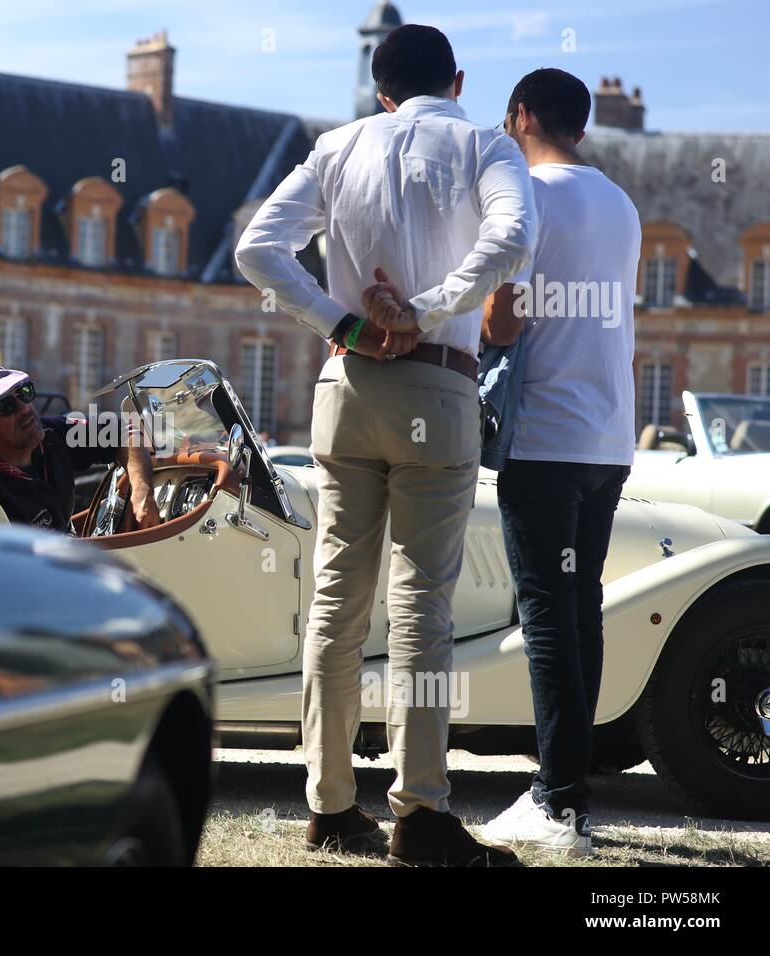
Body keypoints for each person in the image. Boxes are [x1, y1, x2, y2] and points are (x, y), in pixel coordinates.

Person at [235, 23, 535, 865]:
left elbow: (257, 247)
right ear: (459, 79)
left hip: (346, 386)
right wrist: (429, 306)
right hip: (436, 387)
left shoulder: (336, 145)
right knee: (423, 611)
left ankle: (330, 806)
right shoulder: (483, 143)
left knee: (336, 602)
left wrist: (346, 323)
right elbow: (513, 239)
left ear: (381, 92)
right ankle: (421, 811)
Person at [476, 69, 640, 858]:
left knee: (545, 612)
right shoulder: (621, 202)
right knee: (580, 609)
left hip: (545, 433)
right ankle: (572, 792)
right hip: (609, 438)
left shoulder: (527, 198)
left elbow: (505, 321)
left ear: (524, 116)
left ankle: (558, 799)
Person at [0, 363, 159, 534]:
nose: (24, 408)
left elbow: (122, 432)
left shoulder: (48, 435)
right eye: (5, 405)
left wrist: (142, 494)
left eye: (24, 392)